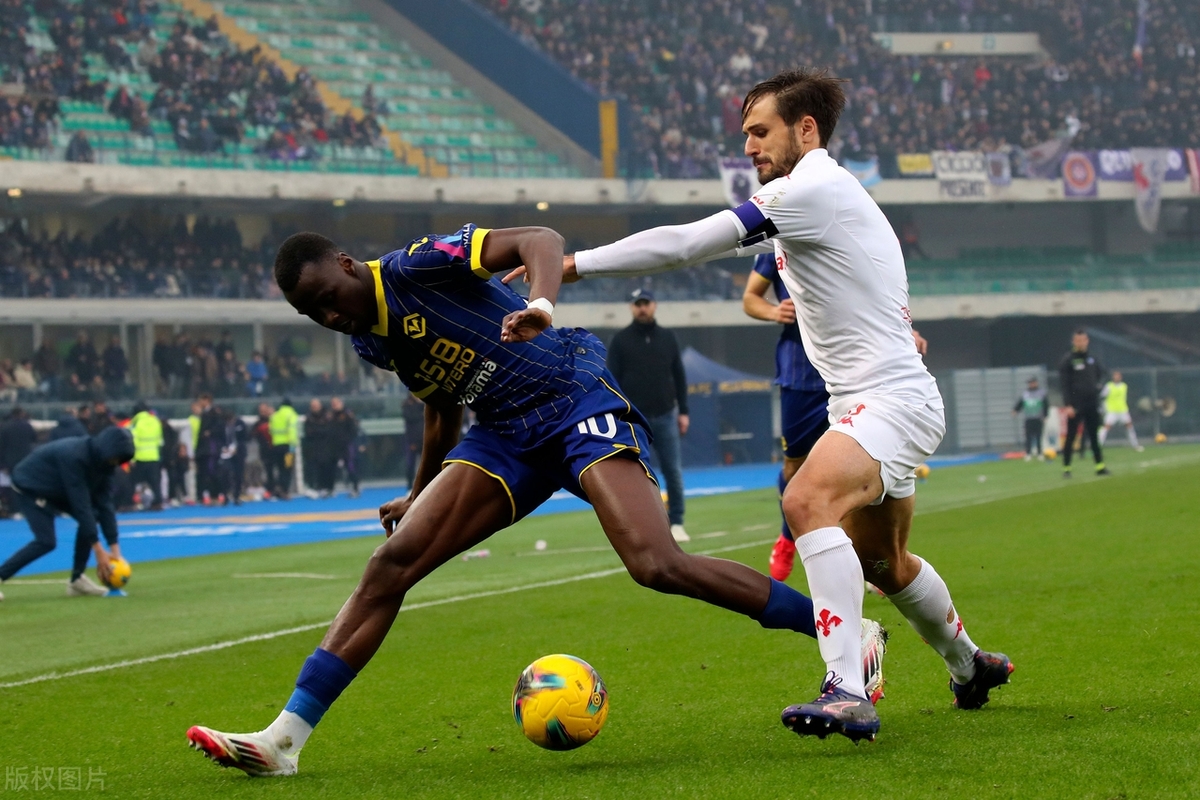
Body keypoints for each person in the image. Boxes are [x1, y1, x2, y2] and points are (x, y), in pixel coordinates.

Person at [185, 224, 887, 775]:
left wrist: (541, 303)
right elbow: (439, 408)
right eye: (311, 314)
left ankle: (849, 638)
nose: (327, 316)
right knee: (389, 566)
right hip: (504, 436)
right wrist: (419, 492)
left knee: (655, 563)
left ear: (343, 264)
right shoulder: (371, 339)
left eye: (325, 298)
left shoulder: (416, 266)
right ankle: (283, 740)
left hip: (570, 396)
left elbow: (539, 243)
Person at [510, 69, 1010, 742]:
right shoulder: (825, 196)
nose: (749, 147)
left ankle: (846, 690)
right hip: (883, 397)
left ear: (806, 130)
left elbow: (687, 244)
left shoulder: (810, 190)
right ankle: (969, 665)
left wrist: (570, 266)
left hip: (889, 399)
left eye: (760, 131)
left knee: (805, 503)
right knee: (886, 563)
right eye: (746, 133)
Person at [0, 427, 135, 601]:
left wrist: (115, 551)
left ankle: (77, 580)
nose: (115, 462)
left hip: (56, 488)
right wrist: (98, 549)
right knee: (46, 541)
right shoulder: (74, 457)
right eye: (114, 457)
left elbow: (105, 505)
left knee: (92, 517)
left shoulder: (106, 464)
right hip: (30, 486)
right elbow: (81, 504)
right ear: (107, 449)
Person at [606, 289, 691, 542]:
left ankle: (677, 522)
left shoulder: (668, 337)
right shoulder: (620, 340)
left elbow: (679, 376)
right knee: (636, 472)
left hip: (666, 414)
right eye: (637, 304)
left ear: (654, 305)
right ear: (632, 307)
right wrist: (617, 414)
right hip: (634, 419)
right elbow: (612, 380)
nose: (642, 308)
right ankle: (641, 525)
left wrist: (683, 411)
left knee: (672, 471)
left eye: (646, 303)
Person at [1059, 329, 1108, 477]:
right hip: (1075, 404)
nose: (1080, 343)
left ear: (1087, 341)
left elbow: (1103, 375)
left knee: (1094, 436)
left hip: (1092, 403)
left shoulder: (1093, 358)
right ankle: (1066, 468)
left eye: (1083, 340)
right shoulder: (1068, 360)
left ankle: (1100, 466)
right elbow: (1064, 384)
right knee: (1071, 436)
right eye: (1078, 340)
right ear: (1074, 342)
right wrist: (1068, 404)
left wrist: (1098, 389)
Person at [0, 407, 37, 517]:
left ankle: (15, 510)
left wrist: (3, 465)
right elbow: (34, 439)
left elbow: (1, 447)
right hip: (26, 459)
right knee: (26, 484)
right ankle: (27, 508)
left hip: (10, 461)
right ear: (21, 413)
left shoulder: (5, 427)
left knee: (12, 486)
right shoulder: (27, 425)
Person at [129, 401, 164, 510]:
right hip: (154, 456)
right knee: (155, 483)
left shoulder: (136, 422)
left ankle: (134, 502)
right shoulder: (155, 420)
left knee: (134, 482)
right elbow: (160, 441)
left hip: (140, 457)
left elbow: (133, 441)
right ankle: (157, 502)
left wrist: (132, 458)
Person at [1099, 371, 1142, 451]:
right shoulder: (1109, 386)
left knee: (1129, 426)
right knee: (1106, 427)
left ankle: (1135, 445)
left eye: (1118, 376)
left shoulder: (1124, 386)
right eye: (1115, 376)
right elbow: (1102, 397)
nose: (1117, 377)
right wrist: (1103, 408)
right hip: (1112, 411)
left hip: (1123, 410)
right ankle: (1098, 446)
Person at [329, 397, 362, 498]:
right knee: (332, 466)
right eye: (333, 404)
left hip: (347, 445)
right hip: (335, 446)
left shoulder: (347, 414)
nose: (335, 405)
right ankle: (331, 488)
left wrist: (348, 440)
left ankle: (355, 487)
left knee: (350, 466)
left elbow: (353, 429)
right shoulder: (331, 416)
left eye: (336, 403)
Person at [268, 398, 298, 500]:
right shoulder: (291, 415)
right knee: (287, 468)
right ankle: (284, 490)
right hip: (288, 447)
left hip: (276, 446)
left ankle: (278, 488)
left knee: (280, 468)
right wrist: (293, 446)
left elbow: (271, 430)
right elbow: (292, 431)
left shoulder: (275, 415)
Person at [1013, 376, 1049, 461]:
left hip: (1038, 417)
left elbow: (1046, 405)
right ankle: (1028, 453)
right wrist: (1015, 410)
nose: (1031, 384)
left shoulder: (1041, 393)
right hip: (1028, 418)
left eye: (1032, 383)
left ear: (1036, 383)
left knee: (1039, 436)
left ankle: (1040, 453)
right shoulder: (1025, 393)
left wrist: (1045, 415)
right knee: (1028, 437)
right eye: (1029, 383)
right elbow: (1020, 403)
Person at [401, 391, 424, 486]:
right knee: (410, 463)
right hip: (412, 439)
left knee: (425, 462)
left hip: (423, 438)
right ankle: (410, 485)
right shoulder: (407, 406)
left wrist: (421, 403)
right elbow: (410, 418)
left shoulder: (423, 405)